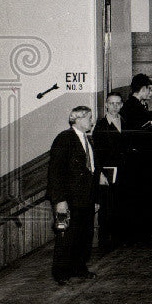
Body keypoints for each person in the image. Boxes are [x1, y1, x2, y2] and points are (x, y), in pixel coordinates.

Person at [46, 107, 99, 285]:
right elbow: (55, 172)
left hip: (86, 199)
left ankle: (79, 268)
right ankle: (61, 274)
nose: (92, 121)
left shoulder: (87, 139)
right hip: (69, 200)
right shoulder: (64, 138)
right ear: (77, 119)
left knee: (84, 235)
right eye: (89, 118)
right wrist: (60, 201)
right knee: (66, 237)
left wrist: (95, 199)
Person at [121, 73, 152, 243]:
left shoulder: (138, 106)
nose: (151, 93)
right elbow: (136, 134)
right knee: (142, 195)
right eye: (149, 89)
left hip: (144, 159)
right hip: (139, 160)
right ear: (141, 89)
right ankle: (144, 232)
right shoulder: (131, 107)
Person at [92, 93, 126, 252]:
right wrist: (100, 173)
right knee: (107, 206)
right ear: (106, 105)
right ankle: (105, 242)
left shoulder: (125, 122)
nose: (114, 106)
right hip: (107, 172)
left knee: (120, 204)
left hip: (124, 171)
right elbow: (97, 154)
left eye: (117, 103)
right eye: (111, 103)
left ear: (121, 105)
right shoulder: (100, 126)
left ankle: (119, 238)